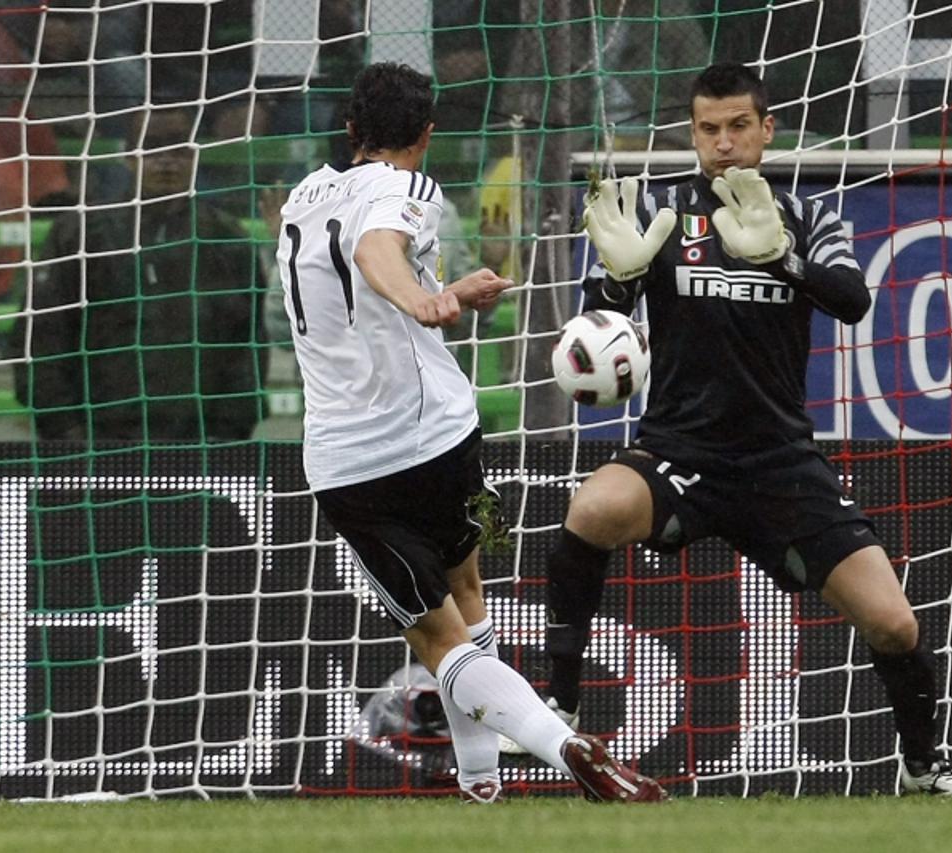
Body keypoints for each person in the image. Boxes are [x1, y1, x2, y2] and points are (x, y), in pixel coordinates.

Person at [534, 62, 952, 798]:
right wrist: (617, 277)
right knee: (591, 509)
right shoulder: (656, 212)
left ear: (766, 129)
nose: (723, 143)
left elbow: (852, 300)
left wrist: (780, 258)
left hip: (780, 461)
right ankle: (559, 708)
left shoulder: (808, 218)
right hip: (679, 450)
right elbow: (600, 326)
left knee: (894, 625)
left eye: (738, 127)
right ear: (693, 133)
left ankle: (923, 769)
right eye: (708, 129)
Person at [275, 61, 665, 804]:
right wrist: (424, 301)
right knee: (467, 592)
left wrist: (443, 293)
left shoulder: (302, 198)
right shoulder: (409, 186)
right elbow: (375, 251)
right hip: (439, 438)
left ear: (351, 129)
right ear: (427, 134)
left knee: (437, 636)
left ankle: (490, 779)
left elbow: (351, 290)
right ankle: (542, 753)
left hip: (348, 464)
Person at [12, 107, 267, 442]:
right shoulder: (79, 234)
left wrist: (228, 434)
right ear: (129, 157)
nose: (166, 161)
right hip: (93, 442)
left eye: (179, 149)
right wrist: (66, 432)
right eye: (153, 148)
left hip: (201, 443)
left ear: (195, 156)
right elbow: (41, 337)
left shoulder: (226, 238)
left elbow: (248, 344)